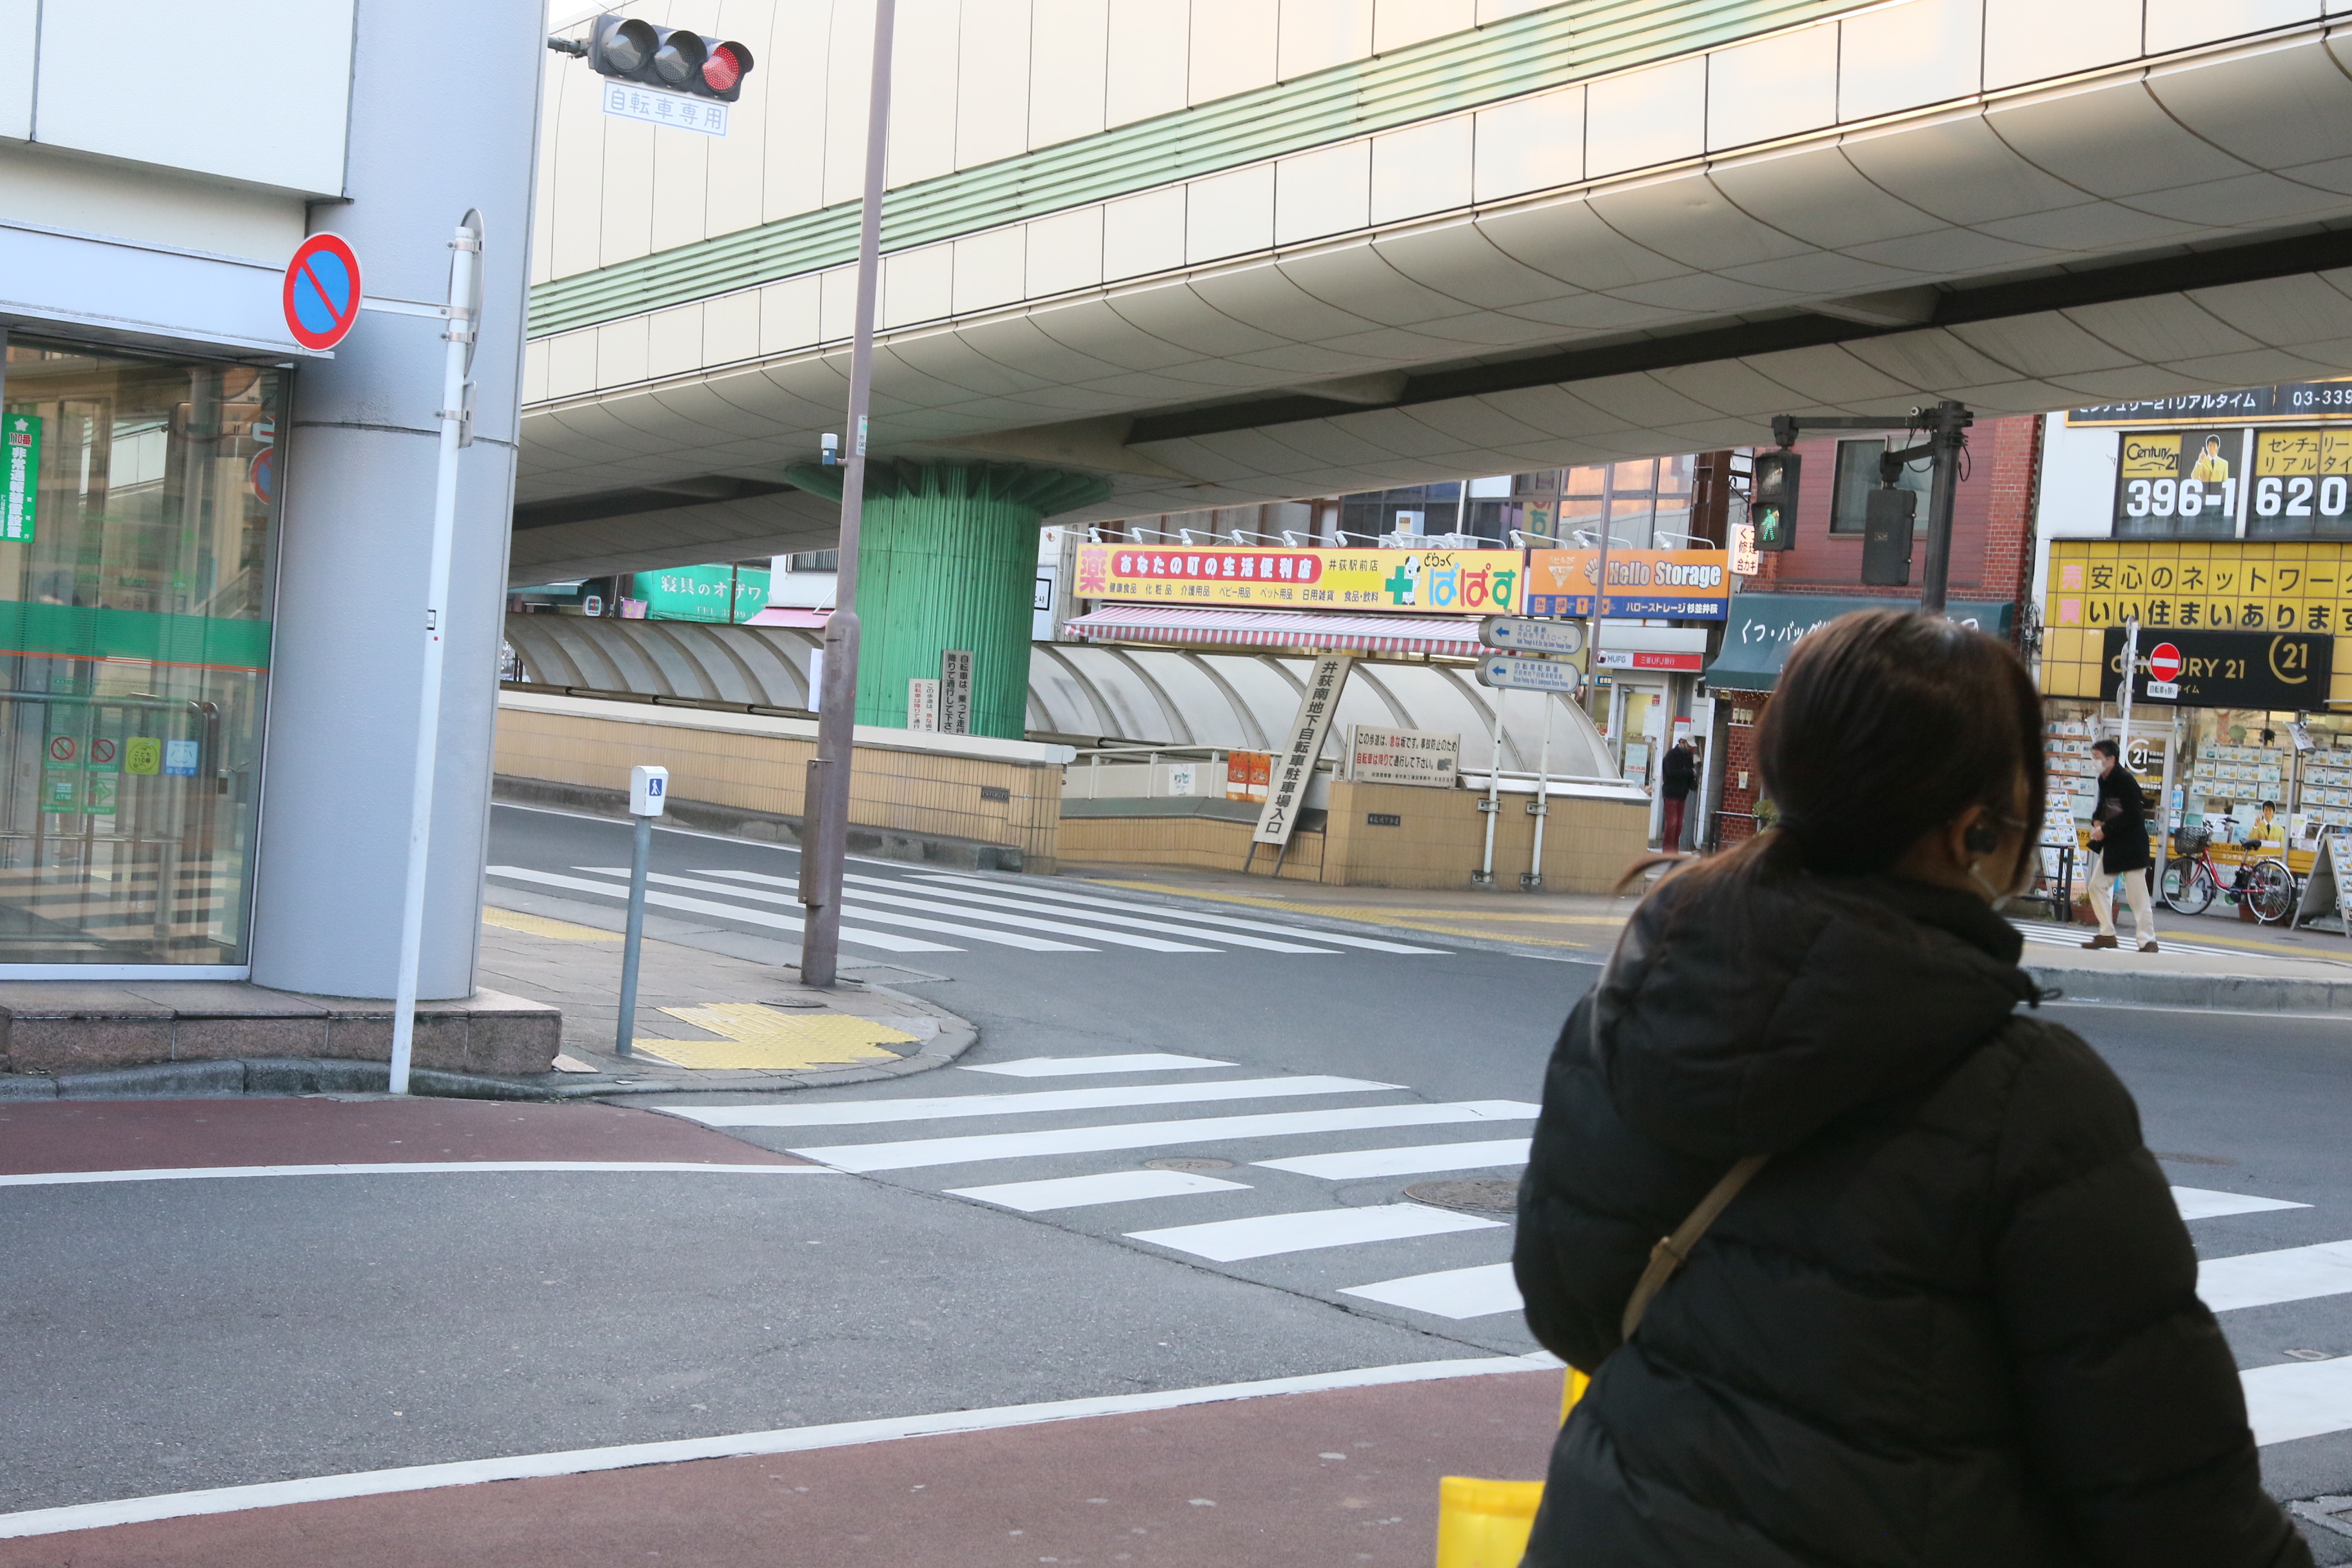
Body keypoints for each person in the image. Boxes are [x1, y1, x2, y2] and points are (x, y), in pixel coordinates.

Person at [1513, 609, 2308, 1568]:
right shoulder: (2031, 1103)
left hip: (1618, 1519)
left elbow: (1568, 1306)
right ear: (1976, 827)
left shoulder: (1631, 1003)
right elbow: (2174, 1500)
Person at [2085, 737, 2159, 952]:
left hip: (2132, 845)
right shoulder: (2103, 780)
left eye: (2098, 758)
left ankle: (2148, 941)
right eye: (2093, 757)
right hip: (2114, 845)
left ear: (2111, 759)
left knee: (2137, 896)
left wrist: (2104, 830)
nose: (2094, 761)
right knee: (2096, 886)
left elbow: (2134, 816)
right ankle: (2107, 934)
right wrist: (2097, 821)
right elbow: (2102, 806)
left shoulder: (2126, 781)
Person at [1658, 738, 1697, 849]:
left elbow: (1688, 774)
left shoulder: (1688, 757)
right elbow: (1671, 773)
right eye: (1689, 745)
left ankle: (1674, 849)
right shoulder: (1671, 755)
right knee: (1672, 822)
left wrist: (1693, 783)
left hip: (1682, 794)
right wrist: (1690, 773)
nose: (1690, 748)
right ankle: (1668, 850)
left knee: (1679, 824)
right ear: (1682, 743)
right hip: (1671, 793)